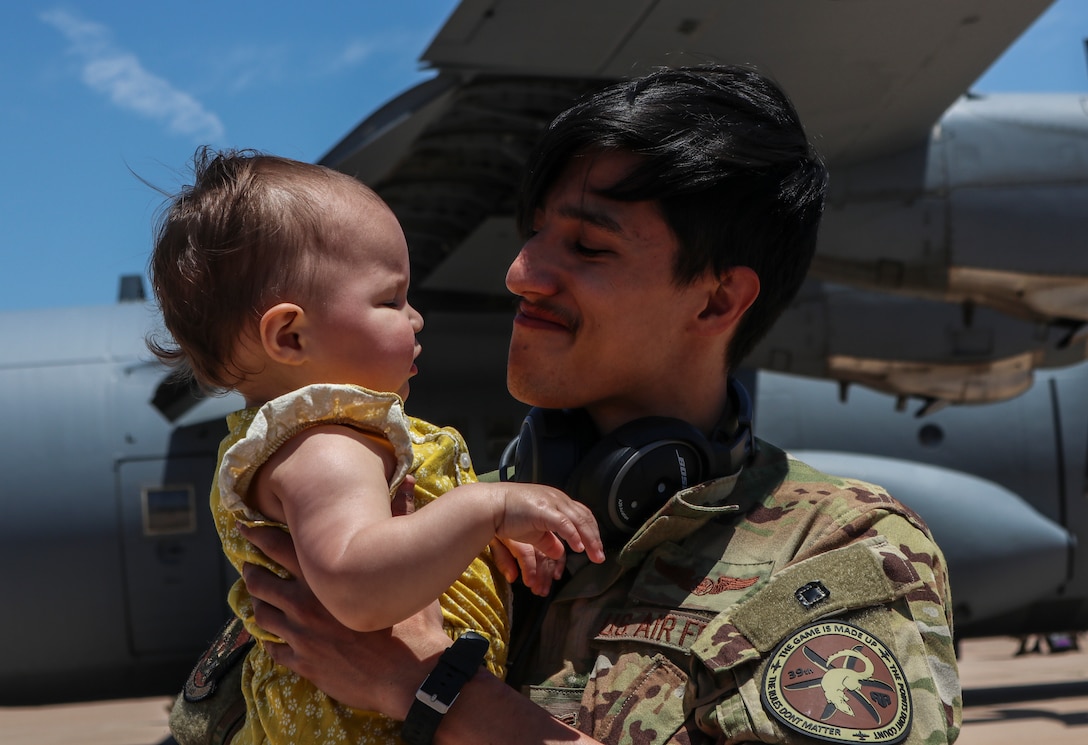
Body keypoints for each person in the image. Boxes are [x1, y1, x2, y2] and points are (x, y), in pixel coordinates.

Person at [241, 64, 962, 745]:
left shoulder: (843, 549)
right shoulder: (423, 521)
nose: (520, 273)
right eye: (535, 232)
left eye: (587, 245)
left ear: (717, 298)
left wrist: (434, 690)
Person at [148, 148, 604, 745]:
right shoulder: (324, 446)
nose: (414, 319)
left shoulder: (336, 438)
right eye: (390, 301)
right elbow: (360, 590)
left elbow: (389, 544)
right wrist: (484, 509)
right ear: (290, 335)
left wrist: (479, 538)